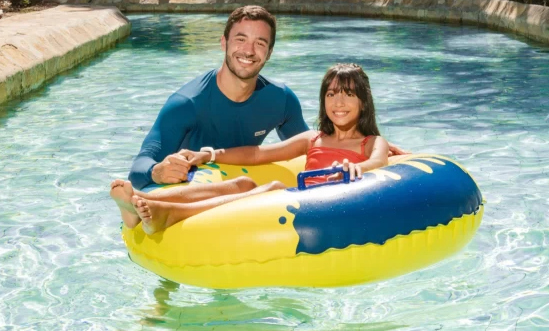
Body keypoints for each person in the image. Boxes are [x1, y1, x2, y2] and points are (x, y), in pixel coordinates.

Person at [111, 64, 389, 235]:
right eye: (331, 94)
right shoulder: (313, 138)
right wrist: (209, 154)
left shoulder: (372, 142)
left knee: (274, 187)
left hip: (325, 210)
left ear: (363, 102)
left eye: (349, 94)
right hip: (301, 201)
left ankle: (168, 212)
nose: (338, 102)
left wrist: (357, 167)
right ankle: (140, 201)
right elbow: (259, 154)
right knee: (244, 182)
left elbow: (377, 163)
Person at [127, 5, 308, 188]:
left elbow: (313, 148)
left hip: (241, 191)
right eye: (240, 39)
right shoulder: (187, 103)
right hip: (190, 193)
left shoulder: (281, 100)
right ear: (224, 43)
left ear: (269, 53)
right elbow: (138, 168)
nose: (249, 51)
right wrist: (157, 171)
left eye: (260, 43)